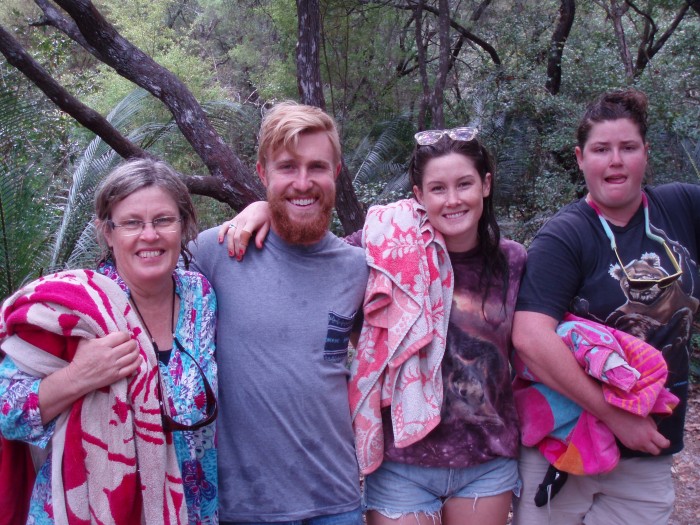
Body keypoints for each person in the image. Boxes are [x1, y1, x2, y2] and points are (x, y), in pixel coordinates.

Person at [224, 127, 526, 525]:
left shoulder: (513, 262)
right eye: (437, 188)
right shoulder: (381, 248)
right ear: (418, 195)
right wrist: (262, 208)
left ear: (485, 185)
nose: (452, 200)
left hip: (487, 461)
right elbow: (315, 248)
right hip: (403, 463)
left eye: (464, 184)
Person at [511, 88, 700, 524]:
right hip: (565, 448)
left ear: (645, 154)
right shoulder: (565, 237)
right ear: (580, 159)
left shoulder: (682, 206)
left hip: (649, 450)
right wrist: (616, 415)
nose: (615, 160)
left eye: (628, 147)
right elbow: (530, 338)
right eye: (601, 149)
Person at [0, 159, 218, 525]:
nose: (149, 235)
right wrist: (78, 377)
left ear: (183, 225)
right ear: (107, 231)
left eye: (163, 220)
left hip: (193, 510)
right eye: (132, 223)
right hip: (91, 510)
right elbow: (6, 413)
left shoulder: (200, 296)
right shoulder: (73, 308)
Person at [188, 101, 369, 525]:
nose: (303, 182)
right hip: (245, 507)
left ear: (336, 174)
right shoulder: (216, 253)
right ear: (263, 173)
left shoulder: (357, 267)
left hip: (337, 501)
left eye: (317, 167)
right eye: (287, 167)